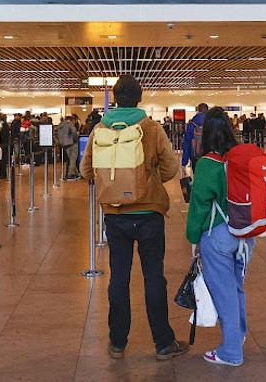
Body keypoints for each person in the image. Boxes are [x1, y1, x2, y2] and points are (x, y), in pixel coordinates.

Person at [79, 75, 187, 361]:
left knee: (119, 276)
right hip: (149, 212)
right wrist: (148, 182)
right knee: (154, 276)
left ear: (115, 97)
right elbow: (171, 166)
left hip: (115, 214)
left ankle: (117, 342)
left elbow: (86, 170)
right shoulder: (151, 128)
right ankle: (163, 343)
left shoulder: (100, 128)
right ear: (139, 98)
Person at [186, 107, 256, 367]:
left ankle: (230, 352)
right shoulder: (240, 158)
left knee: (223, 291)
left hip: (219, 235)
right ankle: (237, 336)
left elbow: (200, 205)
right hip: (246, 234)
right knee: (236, 288)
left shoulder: (208, 163)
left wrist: (193, 237)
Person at [182, 103, 208, 171]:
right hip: (208, 157)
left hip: (194, 155)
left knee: (196, 176)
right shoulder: (211, 123)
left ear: (198, 110)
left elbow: (187, 142)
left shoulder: (192, 124)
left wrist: (184, 161)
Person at [57, 115, 79, 179]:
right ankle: (70, 174)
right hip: (72, 143)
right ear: (73, 120)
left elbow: (55, 133)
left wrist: (59, 141)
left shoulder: (60, 125)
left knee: (70, 159)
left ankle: (76, 173)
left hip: (64, 144)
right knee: (73, 159)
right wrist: (75, 140)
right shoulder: (70, 124)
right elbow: (74, 132)